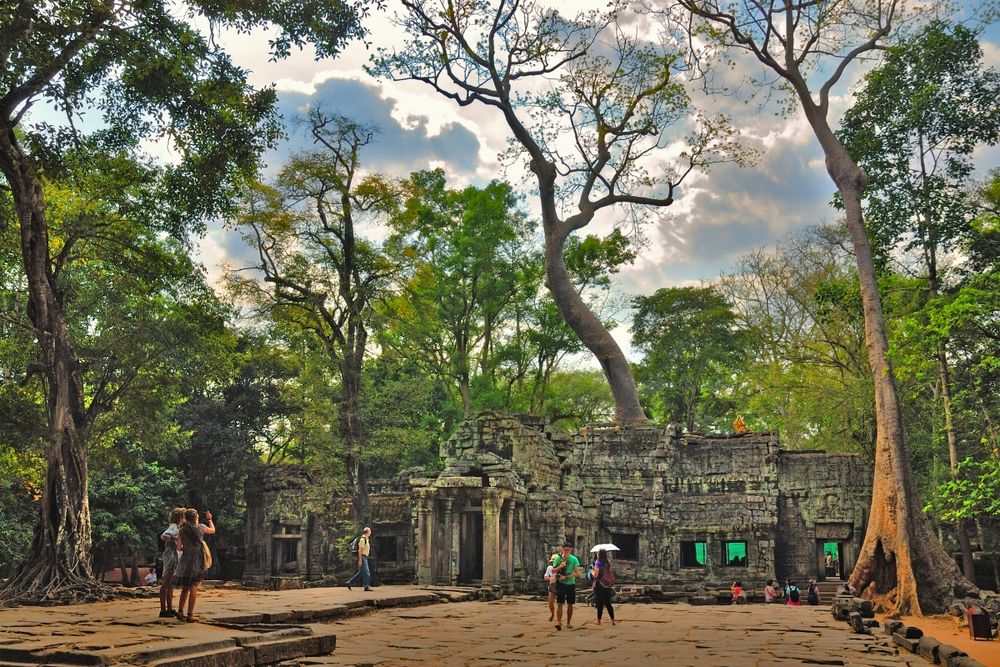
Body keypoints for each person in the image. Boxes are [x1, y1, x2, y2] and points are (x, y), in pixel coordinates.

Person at [173, 508, 216, 622]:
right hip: (197, 559)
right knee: (194, 586)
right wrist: (210, 519)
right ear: (196, 517)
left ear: (186, 518)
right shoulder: (201, 527)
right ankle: (190, 614)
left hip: (186, 559)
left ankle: (180, 611)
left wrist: (186, 547)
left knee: (185, 587)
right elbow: (212, 530)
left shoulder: (182, 530)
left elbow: (179, 547)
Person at [158, 507, 185, 618]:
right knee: (166, 583)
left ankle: (169, 608)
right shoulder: (174, 527)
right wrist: (173, 542)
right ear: (180, 517)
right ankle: (163, 609)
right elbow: (163, 536)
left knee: (170, 584)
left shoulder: (177, 527)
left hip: (174, 555)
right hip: (171, 555)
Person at [551, 541, 580, 631]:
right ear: (562, 549)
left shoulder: (574, 559)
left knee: (570, 604)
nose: (566, 551)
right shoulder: (558, 558)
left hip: (570, 584)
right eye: (565, 550)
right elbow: (553, 571)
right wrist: (560, 566)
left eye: (568, 550)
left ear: (571, 549)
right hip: (560, 584)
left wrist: (566, 577)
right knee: (560, 603)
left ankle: (568, 622)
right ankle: (558, 622)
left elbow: (576, 573)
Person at [590, 549, 616, 625]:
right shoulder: (607, 563)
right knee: (608, 602)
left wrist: (592, 571)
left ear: (599, 554)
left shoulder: (598, 563)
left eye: (597, 553)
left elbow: (596, 575)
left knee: (600, 602)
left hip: (599, 584)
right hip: (607, 584)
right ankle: (613, 620)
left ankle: (599, 620)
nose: (596, 554)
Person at [346, 527, 372, 591]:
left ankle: (349, 582)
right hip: (363, 557)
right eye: (370, 531)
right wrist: (360, 560)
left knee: (361, 573)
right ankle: (367, 586)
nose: (370, 532)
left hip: (365, 557)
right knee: (367, 572)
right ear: (367, 532)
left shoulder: (366, 539)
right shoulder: (363, 539)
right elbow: (360, 550)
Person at [544, 553, 558, 622]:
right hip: (552, 585)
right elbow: (545, 577)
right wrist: (550, 578)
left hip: (560, 585)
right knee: (550, 602)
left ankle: (559, 619)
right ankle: (552, 614)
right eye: (552, 562)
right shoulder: (549, 568)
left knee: (560, 603)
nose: (553, 563)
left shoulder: (561, 568)